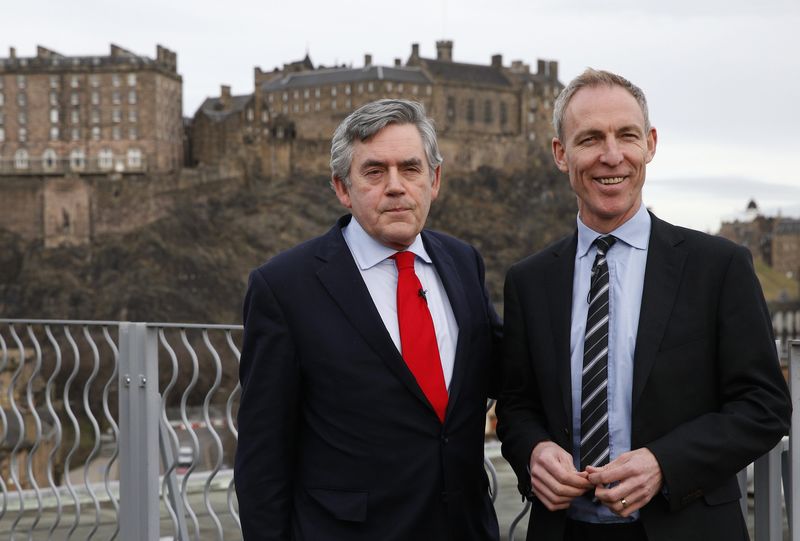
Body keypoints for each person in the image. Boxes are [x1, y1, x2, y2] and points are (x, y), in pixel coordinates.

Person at [496, 68, 791, 541]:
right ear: (560, 153)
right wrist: (531, 451)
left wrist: (664, 463)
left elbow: (765, 406)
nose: (611, 156)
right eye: (590, 138)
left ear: (650, 144)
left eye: (626, 136)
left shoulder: (719, 266)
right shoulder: (529, 280)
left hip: (688, 526)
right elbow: (515, 406)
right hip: (565, 532)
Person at [235, 99, 502, 540]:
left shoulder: (462, 261)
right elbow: (262, 458)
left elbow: (503, 375)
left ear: (434, 180)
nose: (395, 186)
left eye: (410, 169)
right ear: (343, 187)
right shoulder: (284, 287)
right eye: (375, 172)